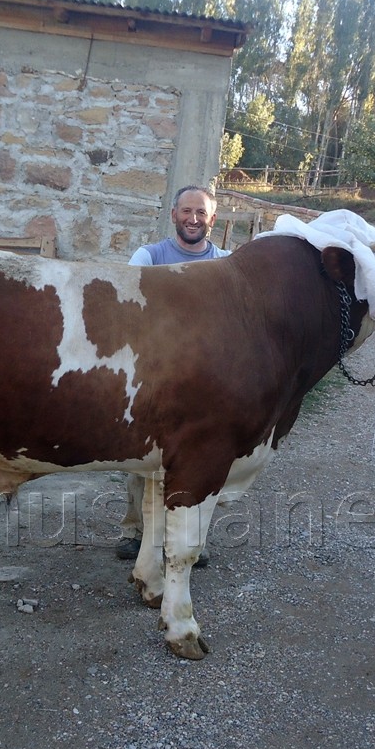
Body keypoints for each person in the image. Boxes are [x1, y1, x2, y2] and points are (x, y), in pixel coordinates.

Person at [116, 185, 229, 562]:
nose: (193, 219)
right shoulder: (148, 256)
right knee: (142, 455)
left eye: (201, 213)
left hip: (207, 379)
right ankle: (134, 531)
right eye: (186, 211)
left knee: (201, 457)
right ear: (174, 214)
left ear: (212, 219)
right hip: (154, 373)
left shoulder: (227, 264)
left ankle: (191, 539)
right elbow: (127, 307)